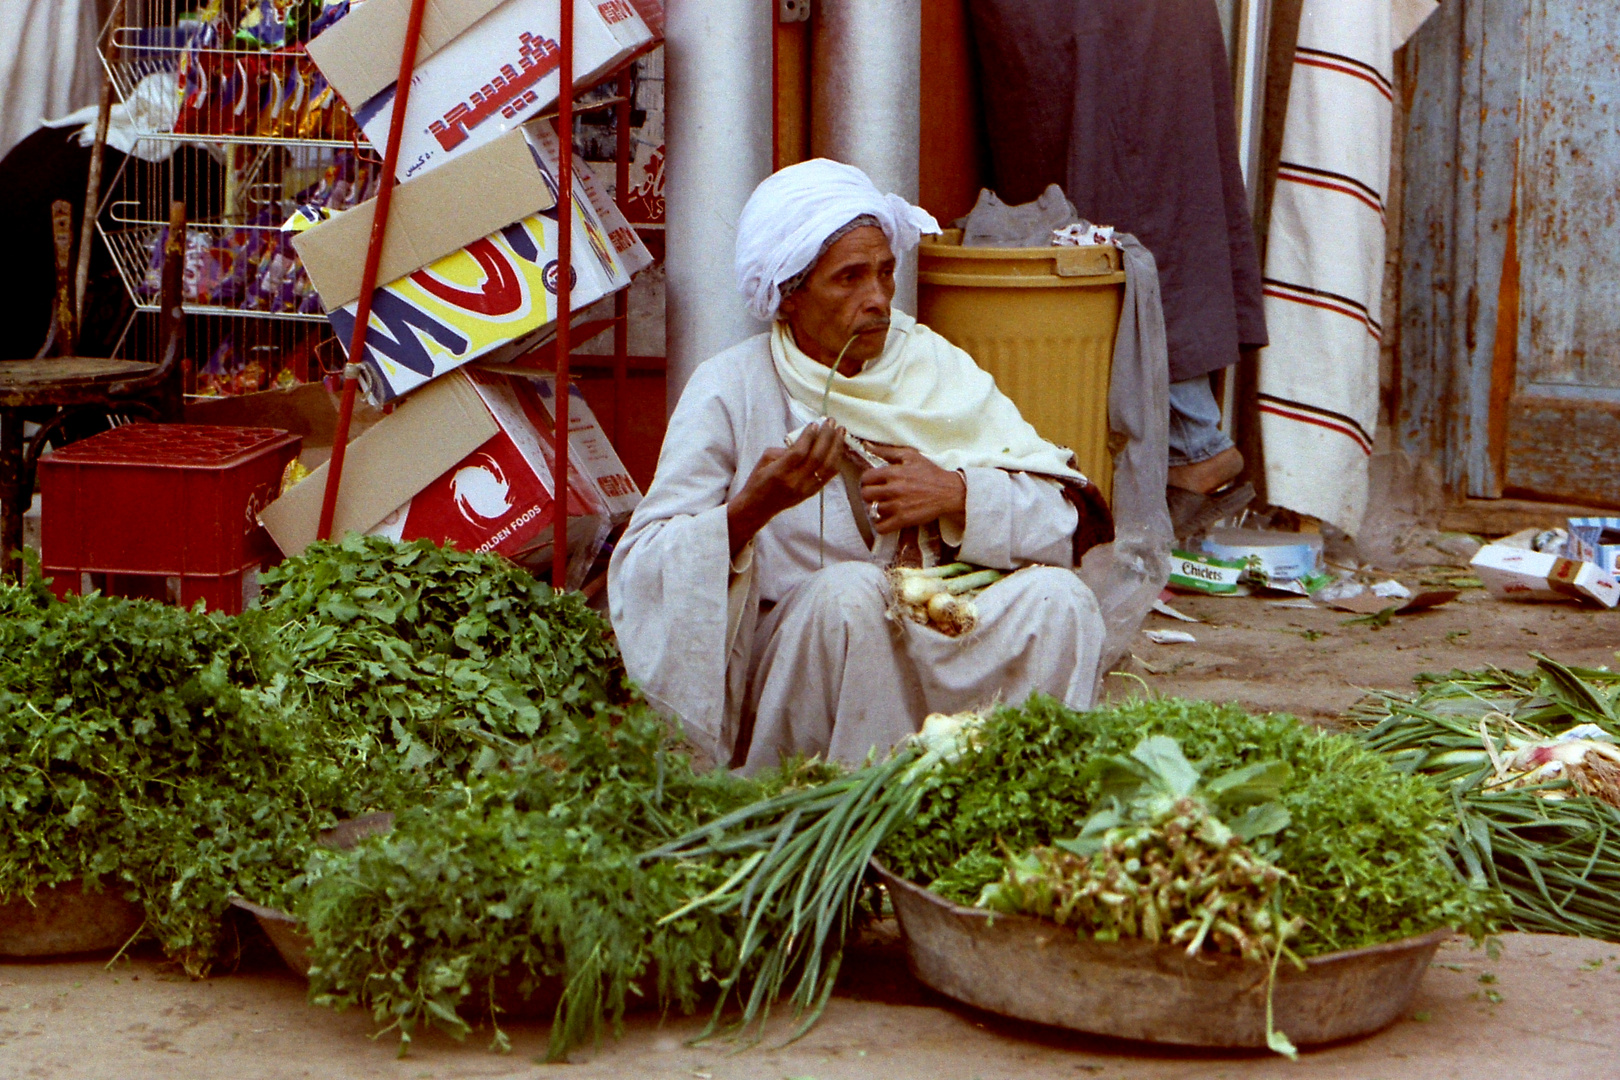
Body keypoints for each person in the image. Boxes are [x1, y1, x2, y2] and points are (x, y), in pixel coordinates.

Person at [609, 160, 1113, 773]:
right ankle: (846, 806)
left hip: (944, 617)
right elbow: (643, 567)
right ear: (788, 298)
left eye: (885, 272)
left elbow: (1067, 524)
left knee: (1061, 600)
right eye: (848, 278)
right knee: (848, 594)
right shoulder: (730, 388)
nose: (877, 299)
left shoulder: (933, 366)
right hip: (812, 656)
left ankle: (1013, 793)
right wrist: (749, 511)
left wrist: (959, 495)